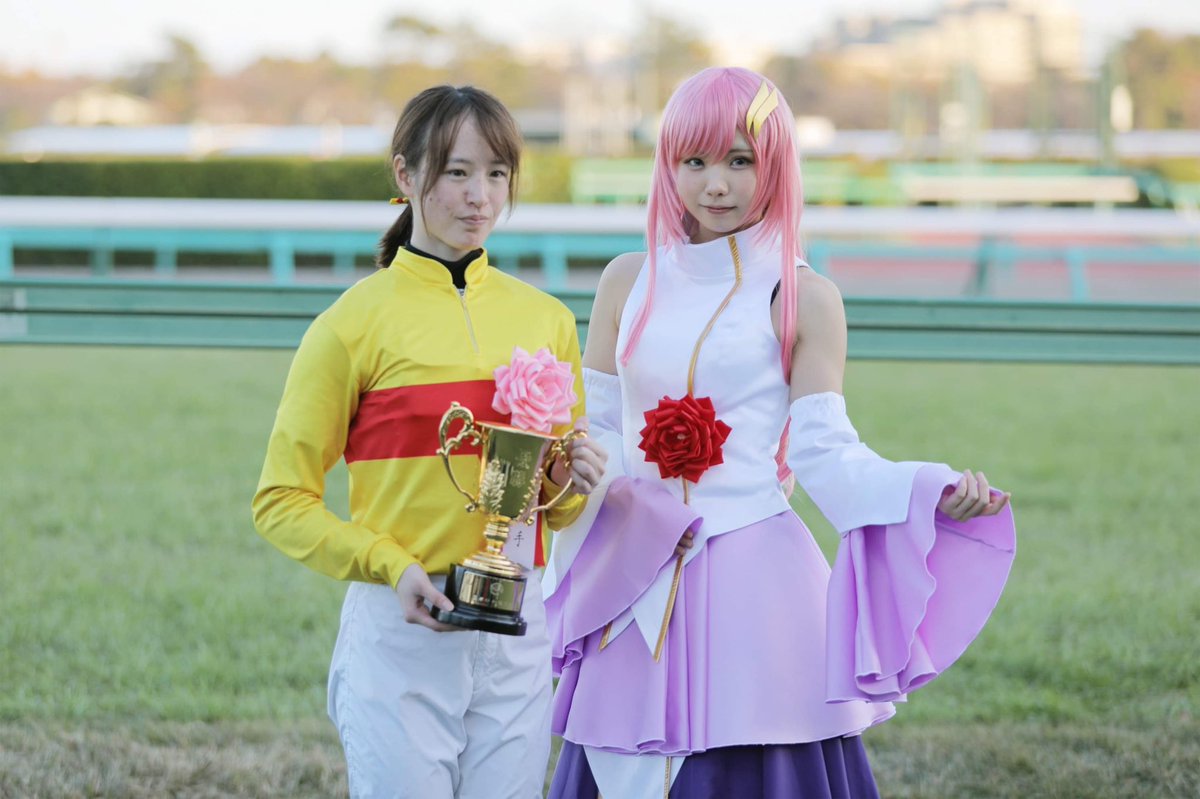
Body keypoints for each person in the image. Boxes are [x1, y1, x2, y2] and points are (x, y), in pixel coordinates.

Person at [542, 67, 1017, 799]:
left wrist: (928, 490)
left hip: (756, 584)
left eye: (740, 160)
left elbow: (826, 450)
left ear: (776, 164)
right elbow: (596, 425)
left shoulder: (804, 296)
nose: (716, 184)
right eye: (695, 160)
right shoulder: (625, 281)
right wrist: (565, 462)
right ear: (667, 164)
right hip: (630, 575)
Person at [252, 85, 606, 799]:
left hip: (517, 628)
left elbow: (553, 508)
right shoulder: (350, 324)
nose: (481, 196)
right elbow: (280, 501)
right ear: (405, 174)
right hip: (401, 631)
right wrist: (390, 566)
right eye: (457, 172)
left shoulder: (546, 319)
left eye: (497, 174)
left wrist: (569, 481)